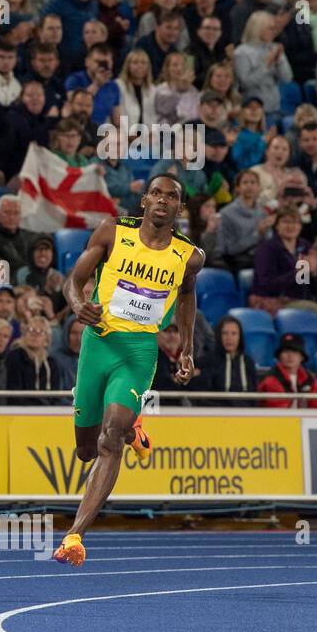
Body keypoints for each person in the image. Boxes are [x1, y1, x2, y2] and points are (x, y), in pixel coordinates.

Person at [53, 174, 205, 567]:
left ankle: (75, 535)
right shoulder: (112, 231)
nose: (162, 200)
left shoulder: (190, 256)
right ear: (144, 201)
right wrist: (76, 305)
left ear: (178, 208)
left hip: (139, 352)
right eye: (155, 192)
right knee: (85, 450)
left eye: (171, 196)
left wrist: (187, 348)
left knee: (110, 439)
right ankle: (133, 426)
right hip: (99, 343)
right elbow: (75, 280)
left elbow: (187, 296)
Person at [258, 333, 317, 409]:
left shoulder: (310, 379)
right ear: (279, 356)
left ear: (302, 357)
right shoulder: (271, 379)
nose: (290, 355)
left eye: (295, 351)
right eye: (286, 351)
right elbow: (278, 412)